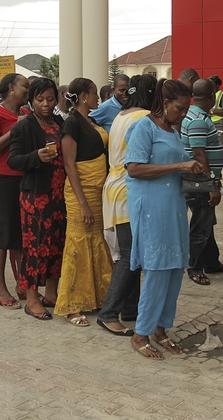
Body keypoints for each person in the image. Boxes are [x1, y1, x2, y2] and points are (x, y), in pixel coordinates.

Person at [126, 78, 201, 360]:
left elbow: (172, 166)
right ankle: (140, 334)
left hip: (173, 206)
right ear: (165, 104)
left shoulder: (172, 130)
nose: (183, 115)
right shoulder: (143, 127)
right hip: (151, 208)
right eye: (180, 109)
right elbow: (134, 168)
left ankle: (160, 328)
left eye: (186, 110)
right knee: (157, 270)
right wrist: (180, 164)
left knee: (175, 268)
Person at [96, 73, 157, 336]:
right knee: (128, 255)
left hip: (115, 187)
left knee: (132, 254)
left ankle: (130, 308)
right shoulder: (143, 117)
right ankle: (108, 313)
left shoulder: (122, 115)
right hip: (127, 191)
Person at [56, 77, 114, 327]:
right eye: (93, 93)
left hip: (98, 191)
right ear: (82, 96)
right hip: (82, 193)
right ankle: (72, 305)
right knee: (78, 245)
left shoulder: (90, 120)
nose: (97, 98)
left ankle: (98, 296)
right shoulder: (72, 123)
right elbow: (69, 164)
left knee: (97, 241)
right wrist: (83, 203)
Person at [7, 78, 66, 320]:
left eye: (50, 99)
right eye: (40, 99)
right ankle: (32, 299)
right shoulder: (25, 126)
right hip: (36, 196)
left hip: (60, 194)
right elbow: (13, 160)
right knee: (35, 248)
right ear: (31, 100)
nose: (45, 104)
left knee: (56, 245)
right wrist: (35, 157)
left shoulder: (60, 122)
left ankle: (51, 294)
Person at [0, 73, 30, 309]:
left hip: (23, 178)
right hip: (1, 179)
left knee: (21, 236)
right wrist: (15, 131)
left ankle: (23, 283)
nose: (28, 92)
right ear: (10, 88)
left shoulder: (26, 114)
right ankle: (0, 287)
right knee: (0, 236)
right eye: (25, 87)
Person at [181, 79, 223, 286]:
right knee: (201, 223)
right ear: (212, 96)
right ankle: (195, 267)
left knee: (207, 221)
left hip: (198, 178)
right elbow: (200, 155)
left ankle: (211, 261)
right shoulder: (199, 119)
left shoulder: (191, 114)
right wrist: (212, 185)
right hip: (200, 181)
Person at [208, 75, 223, 149]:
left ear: (217, 85)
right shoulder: (208, 94)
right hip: (208, 123)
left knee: (219, 145)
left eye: (212, 84)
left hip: (218, 124)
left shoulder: (222, 95)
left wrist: (211, 112)